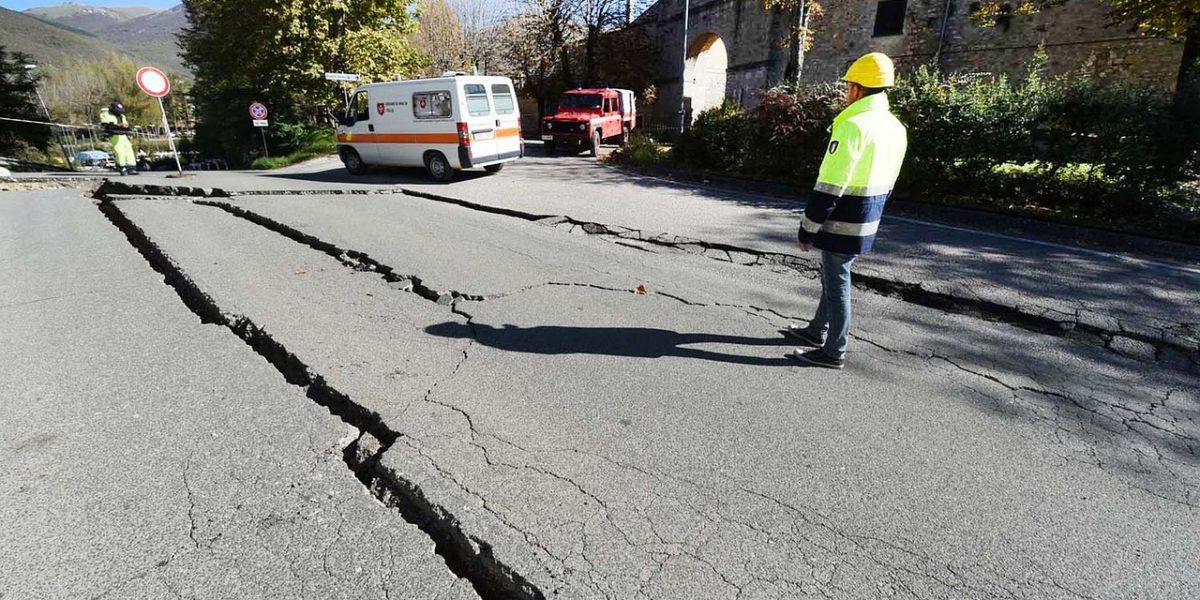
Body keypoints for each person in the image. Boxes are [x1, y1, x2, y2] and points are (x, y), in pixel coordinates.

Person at [786, 53, 908, 369]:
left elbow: (830, 184)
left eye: (848, 86)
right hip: (869, 216)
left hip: (842, 220)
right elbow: (891, 180)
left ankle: (833, 350)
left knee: (837, 283)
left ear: (856, 88)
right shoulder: (896, 128)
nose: (846, 92)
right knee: (832, 277)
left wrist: (808, 227)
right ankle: (816, 331)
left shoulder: (853, 126)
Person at [100, 100, 137, 175]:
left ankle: (131, 167)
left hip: (123, 134)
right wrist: (118, 125)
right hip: (115, 135)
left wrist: (127, 127)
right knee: (119, 150)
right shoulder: (106, 114)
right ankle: (121, 167)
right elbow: (106, 125)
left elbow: (127, 125)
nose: (119, 112)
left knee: (128, 149)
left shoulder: (122, 116)